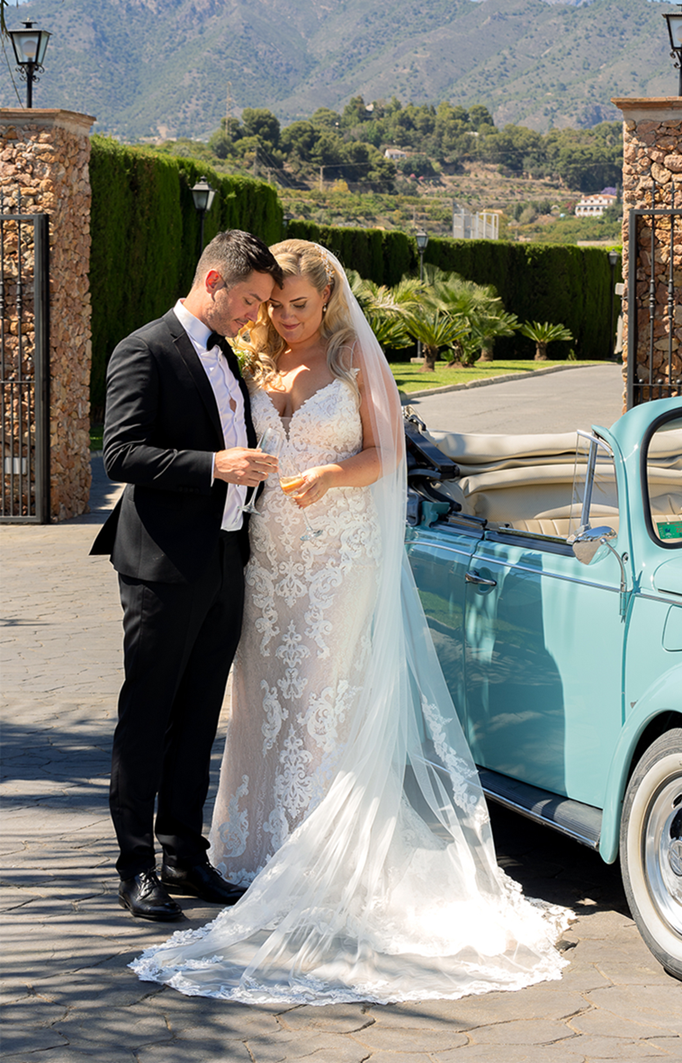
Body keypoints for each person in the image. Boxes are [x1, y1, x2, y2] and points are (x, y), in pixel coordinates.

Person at [130, 240, 572, 1003]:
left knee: (322, 694)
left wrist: (333, 472)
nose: (285, 317)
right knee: (263, 699)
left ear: (330, 300)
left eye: (299, 304)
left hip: (337, 557)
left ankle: (326, 857)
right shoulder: (250, 365)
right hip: (264, 557)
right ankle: (254, 849)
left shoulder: (353, 361)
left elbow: (386, 455)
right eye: (274, 305)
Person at [91, 230, 283, 922]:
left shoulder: (225, 355)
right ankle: (135, 865)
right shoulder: (142, 349)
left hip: (227, 561)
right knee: (149, 715)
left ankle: (183, 851)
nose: (253, 315)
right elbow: (121, 452)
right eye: (249, 300)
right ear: (212, 283)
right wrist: (213, 466)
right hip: (163, 567)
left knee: (200, 714)